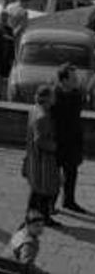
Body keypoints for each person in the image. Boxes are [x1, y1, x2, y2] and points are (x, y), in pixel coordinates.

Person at [51, 63, 88, 214]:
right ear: (63, 80)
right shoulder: (54, 95)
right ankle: (50, 205)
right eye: (73, 78)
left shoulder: (77, 94)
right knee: (54, 175)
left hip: (73, 139)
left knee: (72, 172)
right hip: (57, 140)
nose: (76, 81)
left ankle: (69, 201)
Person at [24, 84, 62, 227]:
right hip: (43, 159)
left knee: (36, 188)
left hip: (35, 156)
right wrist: (55, 146)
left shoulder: (34, 109)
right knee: (45, 189)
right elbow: (40, 140)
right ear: (46, 99)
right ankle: (44, 217)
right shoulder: (43, 116)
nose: (54, 98)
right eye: (52, 96)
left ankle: (31, 213)